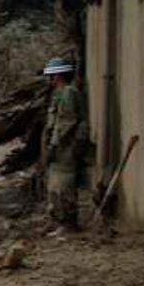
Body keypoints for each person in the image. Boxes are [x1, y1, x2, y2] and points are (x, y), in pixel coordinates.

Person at [41, 58, 85, 228]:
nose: (50, 81)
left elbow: (66, 122)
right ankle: (60, 220)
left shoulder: (68, 93)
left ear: (58, 76)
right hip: (59, 146)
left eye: (51, 77)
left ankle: (68, 223)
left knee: (64, 185)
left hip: (65, 147)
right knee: (55, 186)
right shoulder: (60, 94)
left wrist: (53, 145)